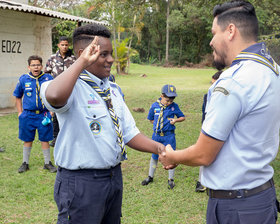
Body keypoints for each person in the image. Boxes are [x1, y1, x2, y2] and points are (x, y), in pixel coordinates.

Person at [159, 1, 280, 223]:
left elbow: (203, 154)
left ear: (231, 31)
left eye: (214, 33)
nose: (211, 41)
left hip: (235, 207)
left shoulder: (235, 80)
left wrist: (172, 155)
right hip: (261, 198)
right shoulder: (272, 70)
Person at [40, 23, 164, 224]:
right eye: (104, 54)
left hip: (113, 177)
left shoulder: (112, 89)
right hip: (81, 182)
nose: (111, 60)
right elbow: (54, 97)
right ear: (84, 53)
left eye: (111, 53)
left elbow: (129, 133)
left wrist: (160, 148)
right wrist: (80, 63)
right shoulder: (68, 86)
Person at [13, 55, 57, 173]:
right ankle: (25, 163)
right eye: (33, 65)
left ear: (41, 66)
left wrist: (51, 111)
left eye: (38, 65)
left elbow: (53, 95)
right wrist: (20, 113)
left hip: (44, 115)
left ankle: (47, 163)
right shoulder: (23, 79)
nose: (36, 67)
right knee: (27, 139)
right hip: (28, 115)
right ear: (29, 67)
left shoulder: (48, 78)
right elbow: (17, 96)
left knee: (45, 139)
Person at [141, 84, 185, 189]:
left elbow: (182, 117)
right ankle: (150, 176)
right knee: (154, 156)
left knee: (171, 156)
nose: (169, 102)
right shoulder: (154, 106)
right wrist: (159, 126)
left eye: (171, 100)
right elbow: (151, 119)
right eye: (167, 100)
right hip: (156, 136)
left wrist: (175, 120)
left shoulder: (174, 106)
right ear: (161, 95)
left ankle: (171, 179)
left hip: (169, 136)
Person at [44, 36, 76, 147]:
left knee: (70, 112)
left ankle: (69, 136)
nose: (64, 47)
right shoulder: (52, 58)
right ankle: (55, 137)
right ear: (58, 45)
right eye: (62, 45)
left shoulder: (73, 58)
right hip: (56, 90)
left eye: (66, 45)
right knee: (56, 114)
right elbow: (46, 73)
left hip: (70, 89)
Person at [196, 70, 222, 193]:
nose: (212, 87)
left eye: (215, 84)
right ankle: (201, 182)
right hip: (208, 128)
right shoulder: (208, 95)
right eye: (211, 83)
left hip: (222, 130)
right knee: (204, 153)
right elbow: (204, 114)